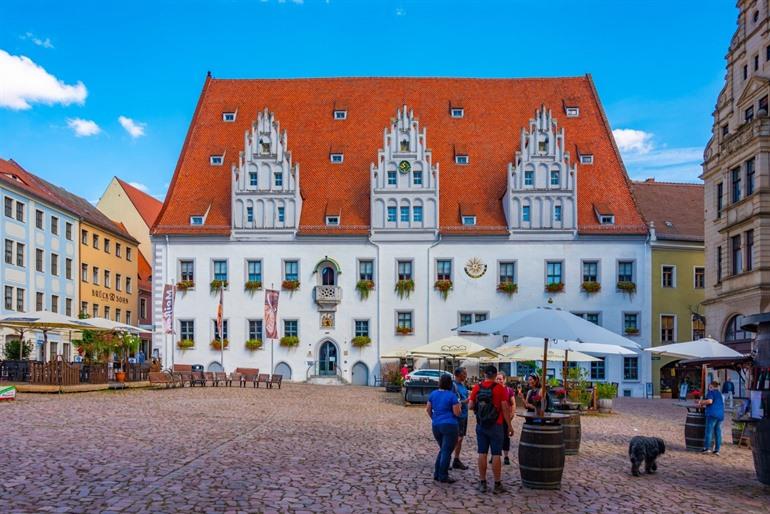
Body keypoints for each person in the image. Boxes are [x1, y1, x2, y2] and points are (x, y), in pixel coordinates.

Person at [469, 365, 513, 494]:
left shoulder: (477, 387)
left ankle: (483, 483)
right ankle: (497, 484)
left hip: (481, 425)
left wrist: (480, 408)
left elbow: (471, 406)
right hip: (496, 425)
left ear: (484, 374)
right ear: (495, 375)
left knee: (482, 453)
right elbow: (505, 407)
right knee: (496, 454)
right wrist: (509, 425)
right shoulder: (500, 388)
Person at [426, 374, 461, 483]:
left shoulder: (433, 394)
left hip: (436, 425)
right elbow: (457, 412)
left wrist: (434, 418)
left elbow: (428, 409)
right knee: (446, 451)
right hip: (450, 425)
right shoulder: (452, 396)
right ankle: (443, 475)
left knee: (443, 450)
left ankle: (437, 473)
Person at [489, 372, 515, 465]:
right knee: (494, 437)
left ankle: (506, 456)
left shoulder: (508, 390)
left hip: (505, 417)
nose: (499, 380)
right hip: (494, 417)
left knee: (505, 437)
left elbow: (513, 403)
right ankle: (494, 455)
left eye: (500, 379)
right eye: (497, 379)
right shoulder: (492, 389)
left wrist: (511, 414)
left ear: (504, 380)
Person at [698, 380, 725, 455]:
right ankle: (717, 450)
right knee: (717, 432)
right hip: (720, 414)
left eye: (710, 386)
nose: (709, 388)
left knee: (709, 431)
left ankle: (707, 448)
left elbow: (710, 401)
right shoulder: (719, 394)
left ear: (712, 386)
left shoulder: (711, 392)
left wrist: (701, 402)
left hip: (712, 414)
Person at [451, 367, 470, 470]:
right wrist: (465, 401)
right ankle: (447, 459)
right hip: (458, 416)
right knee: (456, 438)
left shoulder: (463, 385)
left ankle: (456, 460)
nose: (466, 375)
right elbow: (453, 402)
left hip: (464, 415)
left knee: (460, 438)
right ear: (458, 375)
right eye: (464, 373)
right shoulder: (453, 386)